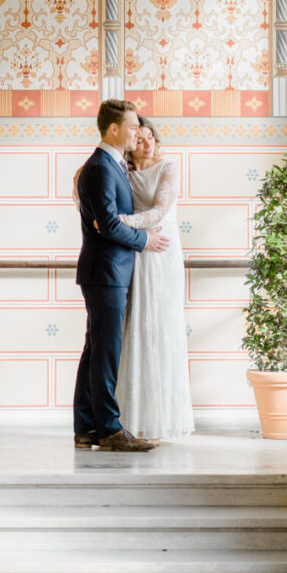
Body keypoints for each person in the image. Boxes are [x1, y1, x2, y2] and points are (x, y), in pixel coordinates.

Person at [73, 100, 169, 452]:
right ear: (114, 129)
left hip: (106, 271)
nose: (136, 133)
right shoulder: (100, 167)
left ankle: (86, 427)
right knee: (106, 352)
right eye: (131, 128)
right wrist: (145, 240)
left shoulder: (110, 165)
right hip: (106, 272)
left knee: (96, 349)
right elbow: (109, 224)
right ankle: (110, 430)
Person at [115, 117, 194, 440]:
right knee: (135, 328)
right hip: (134, 251)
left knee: (160, 327)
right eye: (140, 138)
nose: (147, 143)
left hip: (161, 251)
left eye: (151, 137)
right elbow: (81, 182)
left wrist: (118, 221)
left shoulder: (168, 168)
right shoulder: (123, 171)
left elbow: (160, 210)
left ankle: (161, 420)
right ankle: (132, 418)